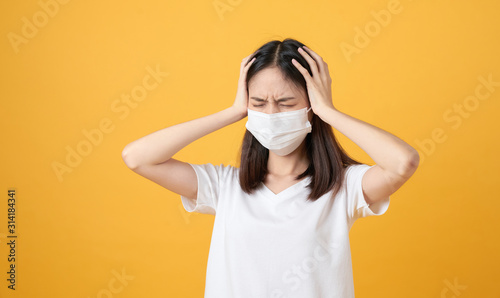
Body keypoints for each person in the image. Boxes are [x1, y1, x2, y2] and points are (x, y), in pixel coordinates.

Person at [121, 38, 419, 297]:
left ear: (310, 107)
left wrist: (329, 111)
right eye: (259, 102)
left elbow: (402, 162)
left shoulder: (344, 187)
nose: (271, 113)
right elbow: (138, 157)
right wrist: (233, 111)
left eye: (286, 103)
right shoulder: (224, 186)